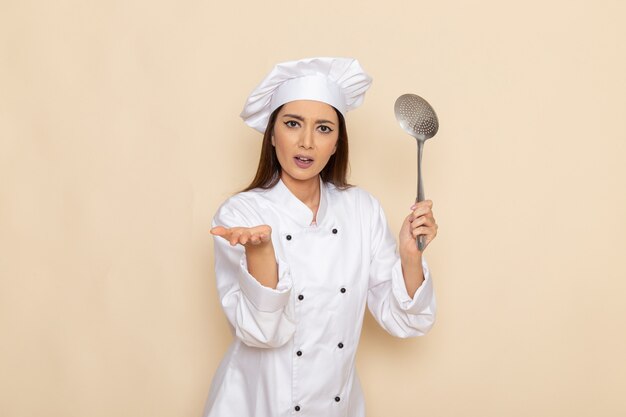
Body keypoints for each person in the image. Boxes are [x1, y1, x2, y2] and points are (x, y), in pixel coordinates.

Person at [203, 57, 438, 417]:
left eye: (324, 128)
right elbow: (262, 335)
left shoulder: (361, 209)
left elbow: (406, 321)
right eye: (293, 124)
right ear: (272, 135)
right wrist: (262, 253)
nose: (307, 142)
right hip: (255, 405)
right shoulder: (241, 215)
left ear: (337, 142)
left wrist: (410, 257)